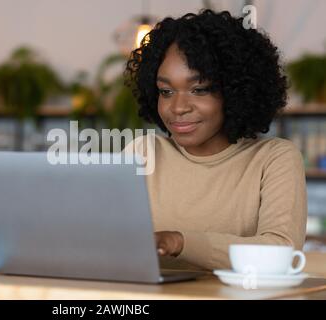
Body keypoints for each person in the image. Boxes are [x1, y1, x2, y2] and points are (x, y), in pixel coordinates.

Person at [123, 9, 307, 271]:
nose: (178, 107)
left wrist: (179, 242)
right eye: (166, 91)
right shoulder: (142, 153)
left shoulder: (274, 158)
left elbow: (280, 250)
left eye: (199, 89)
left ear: (234, 92)